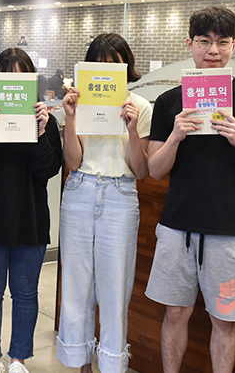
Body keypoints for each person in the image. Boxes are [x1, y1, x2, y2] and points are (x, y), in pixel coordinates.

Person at [145, 7, 235, 372]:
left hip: (229, 229)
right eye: (204, 41)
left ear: (233, 45)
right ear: (190, 44)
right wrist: (175, 135)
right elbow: (154, 170)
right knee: (175, 312)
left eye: (222, 42)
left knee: (224, 320)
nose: (213, 51)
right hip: (177, 226)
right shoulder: (169, 102)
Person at [0, 48, 62, 373]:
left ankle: (18, 358)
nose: (14, 82)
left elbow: (49, 169)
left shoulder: (45, 120)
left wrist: (40, 132)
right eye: (7, 75)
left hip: (30, 217)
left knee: (26, 294)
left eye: (21, 75)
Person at [56, 33, 152, 373]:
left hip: (120, 195)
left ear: (126, 68)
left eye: (114, 65)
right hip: (80, 190)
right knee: (76, 286)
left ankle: (112, 366)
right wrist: (70, 118)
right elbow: (72, 162)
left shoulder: (140, 107)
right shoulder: (79, 103)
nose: (106, 71)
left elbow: (141, 171)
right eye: (99, 64)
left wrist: (132, 129)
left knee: (115, 289)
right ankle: (81, 364)